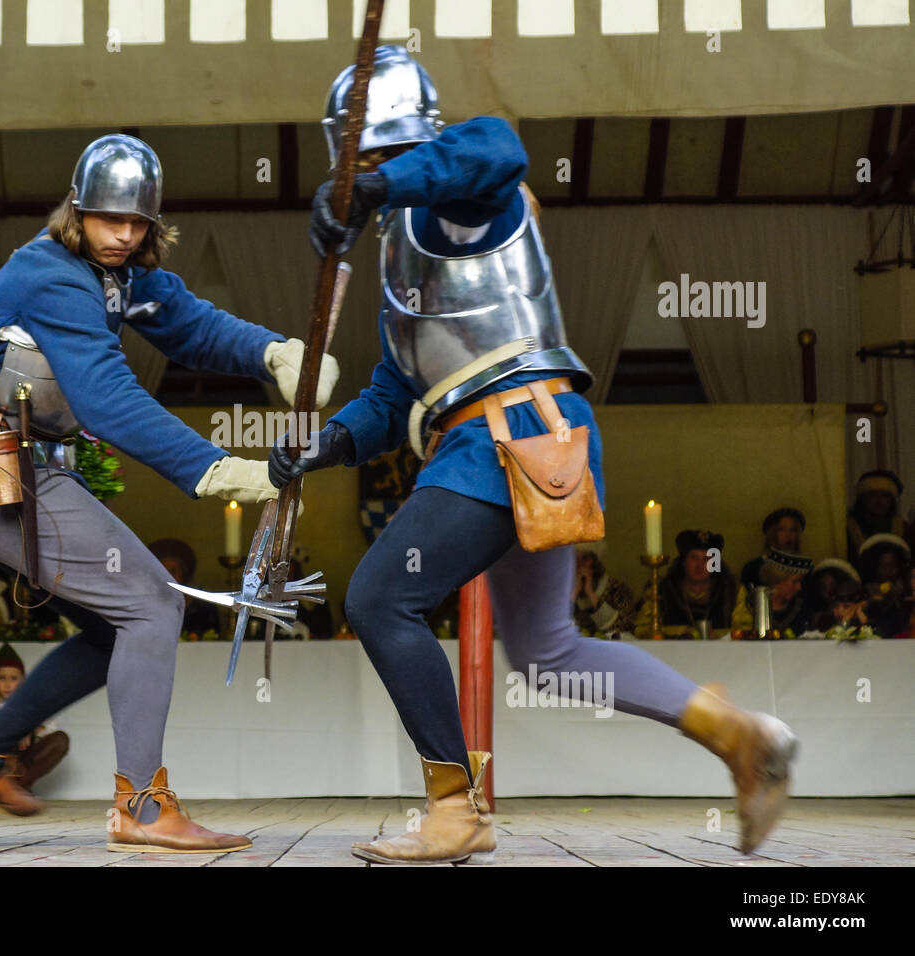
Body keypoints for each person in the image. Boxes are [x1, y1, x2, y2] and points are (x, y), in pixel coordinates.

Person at [270, 45, 797, 864]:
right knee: (549, 653)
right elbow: (395, 391)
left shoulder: (461, 202)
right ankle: (737, 733)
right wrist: (328, 443)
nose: (368, 172)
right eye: (360, 164)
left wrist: (378, 185)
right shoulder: (399, 249)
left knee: (378, 600)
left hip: (501, 433)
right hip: (520, 436)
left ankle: (454, 809)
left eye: (374, 159)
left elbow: (497, 147)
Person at [0, 134, 338, 853]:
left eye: (138, 223)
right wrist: (215, 469)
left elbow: (192, 326)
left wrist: (273, 353)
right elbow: (106, 397)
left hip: (33, 468)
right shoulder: (52, 275)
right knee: (152, 602)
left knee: (118, 623)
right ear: (77, 211)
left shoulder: (123, 272)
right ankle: (140, 808)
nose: (125, 235)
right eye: (110, 220)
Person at [0, 643, 69, 793]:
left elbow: (51, 729)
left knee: (60, 740)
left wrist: (30, 729)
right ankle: (0, 787)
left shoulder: (33, 706)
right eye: (2, 678)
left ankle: (17, 787)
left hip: (22, 764)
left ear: (22, 680)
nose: (7, 684)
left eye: (13, 678)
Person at [652, 530, 739, 634]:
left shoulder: (733, 591)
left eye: (706, 559)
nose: (700, 565)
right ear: (683, 562)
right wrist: (682, 631)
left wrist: (717, 634)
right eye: (694, 558)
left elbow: (744, 629)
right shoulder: (662, 590)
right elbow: (643, 628)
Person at [731, 548, 813, 638]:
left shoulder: (802, 607)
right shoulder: (749, 606)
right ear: (777, 581)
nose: (799, 587)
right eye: (795, 582)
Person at [148, 538, 219, 638]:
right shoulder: (144, 606)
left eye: (173, 571)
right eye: (162, 571)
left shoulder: (204, 607)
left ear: (184, 575)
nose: (167, 576)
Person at [571, 543, 635, 639]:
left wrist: (591, 595)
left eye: (585, 558)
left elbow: (625, 628)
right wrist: (573, 594)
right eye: (575, 559)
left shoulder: (617, 589)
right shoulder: (560, 593)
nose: (580, 565)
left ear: (595, 561)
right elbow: (554, 628)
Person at [846, 470, 907, 566]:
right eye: (872, 495)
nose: (879, 501)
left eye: (885, 496)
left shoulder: (905, 530)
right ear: (862, 499)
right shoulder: (846, 531)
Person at [856, 533, 911, 638]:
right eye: (883, 566)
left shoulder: (906, 591)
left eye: (893, 566)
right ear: (876, 568)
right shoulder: (866, 592)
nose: (888, 571)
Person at [740, 507, 806, 588]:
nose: (788, 535)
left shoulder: (805, 569)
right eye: (782, 529)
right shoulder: (752, 568)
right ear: (773, 533)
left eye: (792, 530)